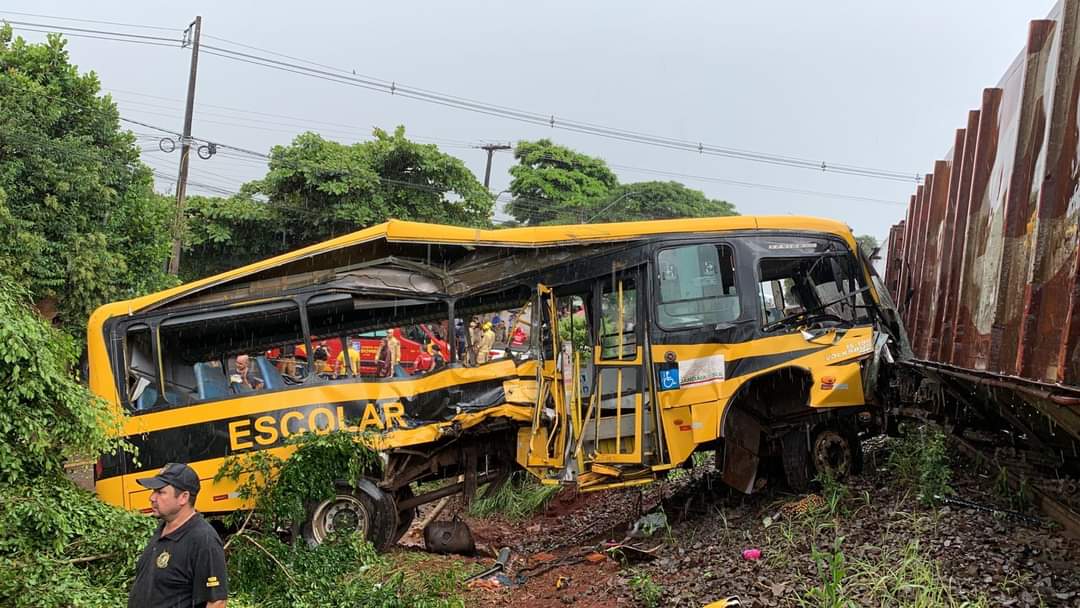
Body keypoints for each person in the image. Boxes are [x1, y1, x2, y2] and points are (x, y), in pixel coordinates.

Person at [128, 463, 228, 608]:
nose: (152, 497)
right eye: (153, 491)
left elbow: (217, 602)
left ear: (183, 497)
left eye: (160, 492)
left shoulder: (203, 539)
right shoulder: (161, 531)